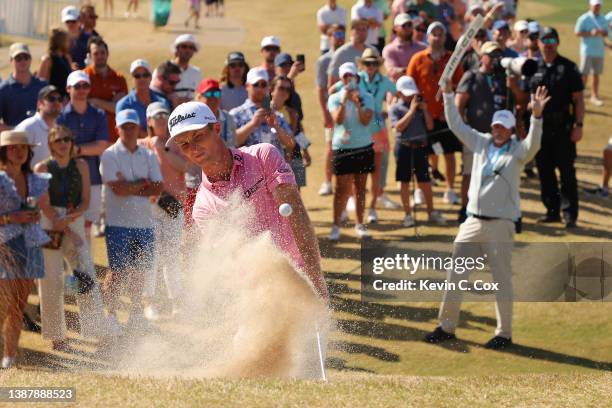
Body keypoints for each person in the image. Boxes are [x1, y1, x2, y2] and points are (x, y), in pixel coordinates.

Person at [424, 81, 549, 350]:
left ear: (511, 129)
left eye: (503, 127)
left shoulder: (518, 151)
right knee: (455, 275)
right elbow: (456, 124)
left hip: (501, 225)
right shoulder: (480, 143)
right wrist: (447, 94)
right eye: (495, 127)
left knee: (501, 279)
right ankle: (446, 327)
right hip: (472, 221)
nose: (498, 131)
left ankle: (504, 334)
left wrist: (536, 116)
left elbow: (533, 145)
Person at [167, 101, 328, 300]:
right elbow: (235, 259)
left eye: (198, 136)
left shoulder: (263, 156)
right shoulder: (202, 207)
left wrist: (313, 275)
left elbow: (297, 213)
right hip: (259, 292)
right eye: (183, 144)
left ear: (216, 129)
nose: (193, 148)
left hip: (301, 272)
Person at [35, 125, 116, 350]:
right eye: (59, 140)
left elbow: (86, 199)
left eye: (67, 139)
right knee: (51, 279)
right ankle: (57, 337)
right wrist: (56, 220)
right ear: (51, 143)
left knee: (85, 275)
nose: (63, 143)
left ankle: (97, 330)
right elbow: (42, 200)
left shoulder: (81, 165)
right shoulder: (42, 167)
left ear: (72, 142)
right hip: (49, 222)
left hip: (74, 220)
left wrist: (68, 221)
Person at [100, 109, 163, 332]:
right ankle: (111, 316)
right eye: (124, 127)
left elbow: (158, 186)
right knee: (116, 272)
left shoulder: (147, 155)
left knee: (138, 272)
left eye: (132, 127)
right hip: (117, 223)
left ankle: (136, 314)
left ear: (139, 129)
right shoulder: (109, 154)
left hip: (143, 223)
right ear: (117, 129)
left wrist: (131, 186)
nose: (128, 131)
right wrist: (142, 184)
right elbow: (117, 189)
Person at [520, 27, 585, 229]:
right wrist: (529, 113)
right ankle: (552, 211)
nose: (547, 44)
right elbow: (525, 100)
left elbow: (579, 99)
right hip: (540, 128)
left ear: (557, 42)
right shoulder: (531, 67)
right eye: (543, 40)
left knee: (566, 172)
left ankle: (569, 214)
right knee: (545, 171)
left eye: (551, 40)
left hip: (563, 128)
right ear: (537, 43)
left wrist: (579, 125)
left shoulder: (569, 68)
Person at [455, 41, 522, 223]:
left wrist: (513, 85)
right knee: (470, 172)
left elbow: (519, 101)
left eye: (498, 55)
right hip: (477, 136)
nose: (496, 59)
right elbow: (459, 105)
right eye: (492, 55)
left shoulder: (504, 77)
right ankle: (465, 207)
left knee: (503, 173)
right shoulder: (472, 76)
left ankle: (501, 209)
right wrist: (463, 131)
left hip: (502, 136)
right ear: (482, 57)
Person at [0, 130, 49, 369]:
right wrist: (12, 218)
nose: (19, 151)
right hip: (4, 246)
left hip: (29, 244)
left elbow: (43, 210)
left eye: (23, 147)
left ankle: (10, 357)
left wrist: (33, 215)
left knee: (19, 305)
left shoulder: (35, 179)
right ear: (4, 151)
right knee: (2, 305)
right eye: (13, 147)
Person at [139, 102, 188, 320]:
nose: (160, 119)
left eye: (164, 115)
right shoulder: (140, 145)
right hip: (149, 208)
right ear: (149, 121)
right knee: (150, 257)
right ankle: (149, 302)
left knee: (172, 257)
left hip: (173, 207)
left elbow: (186, 166)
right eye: (156, 116)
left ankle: (177, 302)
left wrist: (161, 148)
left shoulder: (177, 143)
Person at [407, 21, 464, 205]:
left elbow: (460, 85)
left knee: (449, 153)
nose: (437, 37)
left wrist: (450, 94)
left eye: (441, 34)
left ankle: (449, 189)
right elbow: (410, 85)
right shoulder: (418, 58)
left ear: (445, 37)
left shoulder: (452, 59)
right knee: (422, 154)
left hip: (446, 115)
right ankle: (420, 189)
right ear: (428, 37)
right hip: (424, 116)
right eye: (434, 34)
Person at [57, 70, 111, 240]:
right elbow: (60, 148)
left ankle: (86, 265)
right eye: (77, 86)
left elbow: (102, 146)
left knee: (88, 225)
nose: (81, 89)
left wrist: (76, 150)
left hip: (94, 177)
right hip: (66, 178)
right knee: (69, 225)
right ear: (68, 88)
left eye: (85, 85)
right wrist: (87, 148)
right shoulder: (60, 117)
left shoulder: (99, 114)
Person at [327, 62, 374, 240]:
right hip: (343, 148)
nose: (348, 79)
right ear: (341, 78)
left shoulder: (366, 97)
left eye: (351, 76)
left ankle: (360, 224)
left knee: (361, 188)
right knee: (341, 189)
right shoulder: (334, 98)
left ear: (356, 77)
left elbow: (365, 120)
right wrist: (345, 100)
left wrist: (357, 104)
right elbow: (337, 120)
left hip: (363, 147)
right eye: (345, 76)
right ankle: (336, 226)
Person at [390, 76, 446, 226]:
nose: (410, 97)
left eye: (411, 93)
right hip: (404, 147)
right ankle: (408, 215)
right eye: (406, 94)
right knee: (404, 182)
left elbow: (430, 127)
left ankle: (431, 212)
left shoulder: (421, 107)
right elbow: (398, 127)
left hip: (420, 147)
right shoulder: (395, 108)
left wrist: (425, 110)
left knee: (425, 181)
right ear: (400, 93)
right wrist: (412, 110)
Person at [229, 67, 295, 153]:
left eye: (263, 85)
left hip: (275, 166)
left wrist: (276, 127)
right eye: (256, 84)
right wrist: (252, 124)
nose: (260, 89)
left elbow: (291, 143)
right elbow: (231, 142)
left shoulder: (277, 116)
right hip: (249, 165)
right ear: (247, 86)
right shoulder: (236, 114)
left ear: (268, 87)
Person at [317, 25, 346, 196]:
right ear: (329, 37)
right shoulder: (324, 61)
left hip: (349, 110)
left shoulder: (349, 56)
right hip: (331, 110)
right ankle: (328, 182)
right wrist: (325, 112)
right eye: (336, 34)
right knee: (331, 146)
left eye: (342, 34)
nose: (339, 37)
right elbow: (321, 89)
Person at [83, 37, 128, 144]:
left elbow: (120, 108)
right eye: (96, 53)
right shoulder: (83, 77)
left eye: (102, 53)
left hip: (114, 137)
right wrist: (110, 103)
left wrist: (95, 102)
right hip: (90, 137)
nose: (100, 56)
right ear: (90, 56)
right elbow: (81, 105)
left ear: (107, 54)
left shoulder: (119, 79)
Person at [270, 75, 309, 190]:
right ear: (272, 90)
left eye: (288, 89)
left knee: (297, 189)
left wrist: (306, 150)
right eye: (281, 88)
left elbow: (298, 132)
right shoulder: (265, 111)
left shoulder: (292, 112)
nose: (285, 92)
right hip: (274, 157)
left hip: (295, 154)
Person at [115, 59, 170, 136]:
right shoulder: (123, 104)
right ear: (132, 79)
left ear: (151, 77)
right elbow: (124, 132)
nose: (142, 79)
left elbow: (166, 129)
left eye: (145, 75)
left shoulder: (162, 102)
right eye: (137, 76)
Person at [0, 44, 48, 131]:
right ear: (11, 60)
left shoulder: (43, 86)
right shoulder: (3, 89)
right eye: (18, 58)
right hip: (15, 141)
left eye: (26, 57)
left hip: (40, 139)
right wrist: (18, 130)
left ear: (30, 60)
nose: (23, 61)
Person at [15, 86, 63, 167]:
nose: (57, 102)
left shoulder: (59, 130)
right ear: (40, 104)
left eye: (60, 99)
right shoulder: (27, 128)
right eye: (51, 99)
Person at [575, 0, 609, 106]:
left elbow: (606, 32)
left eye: (598, 5)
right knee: (584, 74)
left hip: (599, 51)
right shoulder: (584, 18)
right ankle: (580, 95)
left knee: (596, 74)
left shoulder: (603, 18)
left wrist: (602, 32)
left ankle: (594, 96)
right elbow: (577, 32)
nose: (596, 7)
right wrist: (590, 33)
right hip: (587, 50)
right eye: (595, 5)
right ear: (590, 5)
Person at [327, 19, 375, 87]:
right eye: (358, 29)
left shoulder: (373, 51)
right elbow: (331, 82)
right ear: (351, 32)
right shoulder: (341, 53)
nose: (361, 32)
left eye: (364, 29)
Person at [382, 13, 426, 82]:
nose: (407, 28)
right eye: (403, 25)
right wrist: (415, 68)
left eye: (409, 25)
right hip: (398, 91)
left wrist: (403, 70)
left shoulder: (422, 47)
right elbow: (393, 73)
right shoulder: (389, 49)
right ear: (395, 28)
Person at [196, 79, 237, 147]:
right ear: (199, 97)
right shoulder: (193, 119)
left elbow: (233, 145)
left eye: (217, 93)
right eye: (209, 94)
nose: (213, 97)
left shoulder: (229, 118)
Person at [37, 28, 73, 99]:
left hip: (66, 99)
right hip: (52, 100)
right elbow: (40, 84)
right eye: (67, 40)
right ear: (60, 42)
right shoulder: (47, 59)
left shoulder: (67, 57)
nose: (69, 43)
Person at [169, 35, 203, 104]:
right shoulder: (165, 69)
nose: (188, 50)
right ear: (177, 49)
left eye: (191, 47)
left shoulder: (197, 72)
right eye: (184, 46)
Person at [62, 6, 90, 70]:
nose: (70, 24)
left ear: (79, 20)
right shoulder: (61, 41)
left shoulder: (89, 38)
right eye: (67, 21)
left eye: (73, 21)